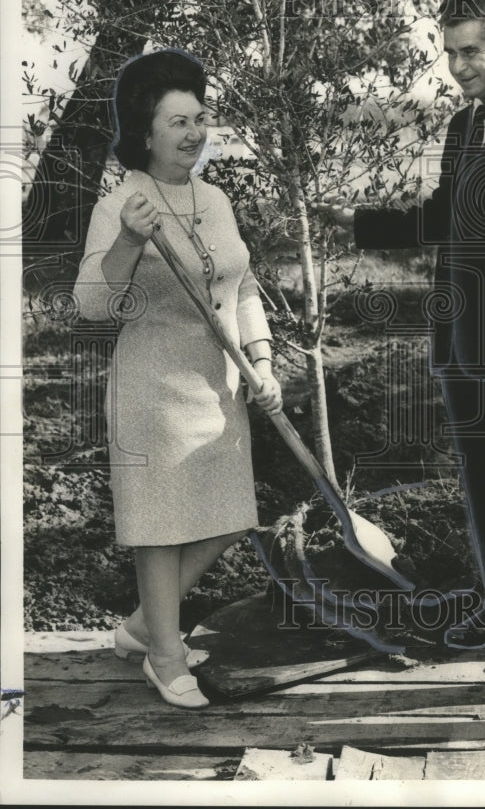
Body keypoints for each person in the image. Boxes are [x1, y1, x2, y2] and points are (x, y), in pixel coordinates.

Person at [322, 0, 485, 671]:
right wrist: (359, 222)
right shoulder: (465, 126)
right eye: (450, 52)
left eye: (472, 52)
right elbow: (444, 221)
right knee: (484, 484)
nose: (459, 66)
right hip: (460, 345)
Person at [74, 49, 282, 709]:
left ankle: (141, 625)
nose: (193, 133)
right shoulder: (121, 205)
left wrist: (263, 357)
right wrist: (129, 244)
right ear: (143, 132)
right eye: (176, 122)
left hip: (219, 386)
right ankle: (163, 654)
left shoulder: (213, 198)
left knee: (227, 518)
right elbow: (89, 307)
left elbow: (241, 283)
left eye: (199, 118)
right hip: (152, 392)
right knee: (159, 528)